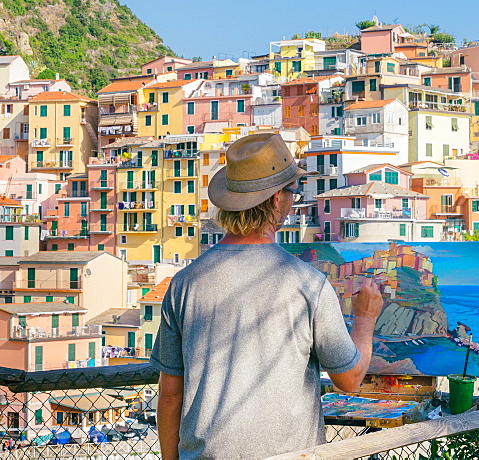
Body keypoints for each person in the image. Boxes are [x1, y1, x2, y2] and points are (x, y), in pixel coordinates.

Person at [152, 132, 384, 459]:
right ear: (277, 200)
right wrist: (365, 318)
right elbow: (349, 379)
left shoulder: (184, 283)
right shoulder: (309, 284)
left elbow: (170, 394)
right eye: (292, 193)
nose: (293, 200)